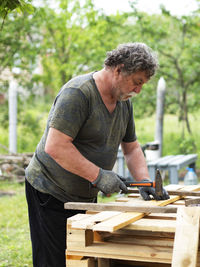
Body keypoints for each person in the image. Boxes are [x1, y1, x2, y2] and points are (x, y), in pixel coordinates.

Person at [25, 42, 169, 267]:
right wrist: (98, 176)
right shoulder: (79, 93)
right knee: (53, 260)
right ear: (119, 69)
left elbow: (130, 147)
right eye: (137, 82)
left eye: (142, 85)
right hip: (50, 190)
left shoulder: (124, 102)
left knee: (82, 257)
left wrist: (143, 181)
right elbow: (55, 146)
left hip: (84, 194)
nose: (138, 90)